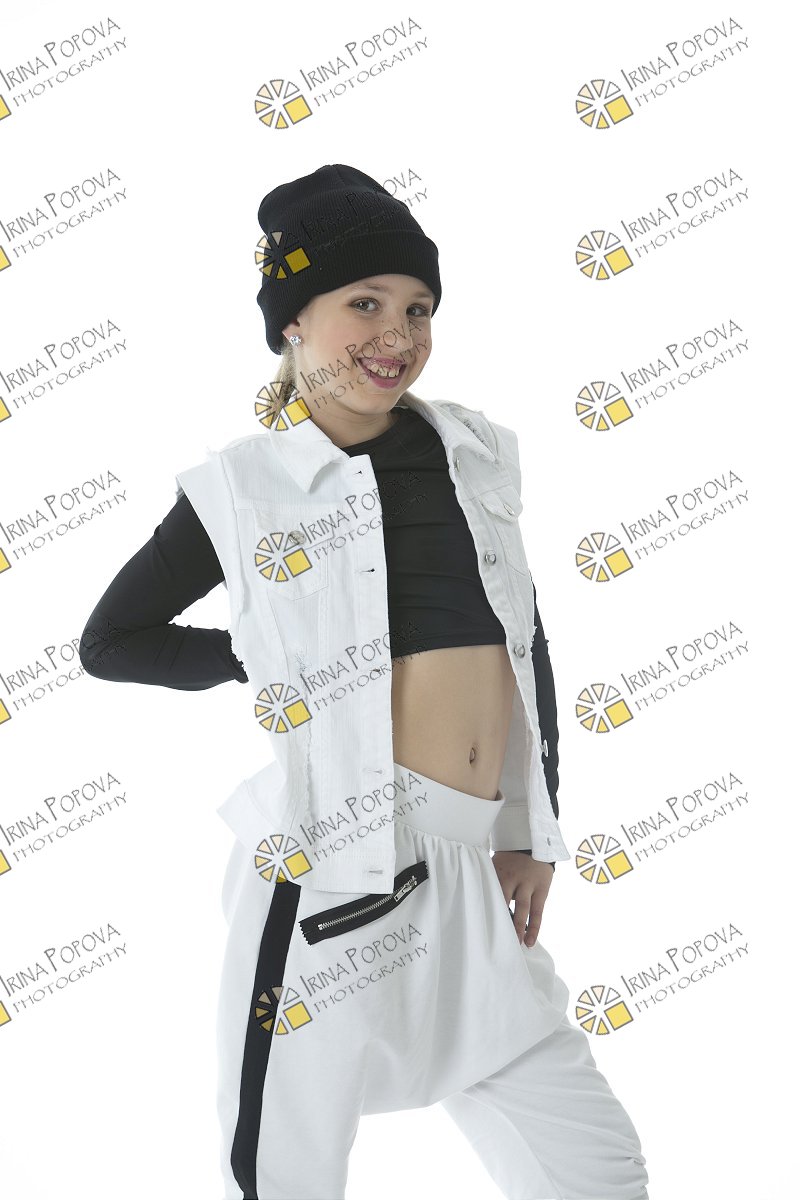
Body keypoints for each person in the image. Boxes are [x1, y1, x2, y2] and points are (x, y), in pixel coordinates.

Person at [79, 164, 649, 1200]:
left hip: (476, 863)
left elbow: (525, 638)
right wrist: (263, 657)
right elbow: (111, 640)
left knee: (596, 1173)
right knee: (289, 1171)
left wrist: (533, 827)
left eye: (418, 308)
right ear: (293, 322)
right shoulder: (244, 487)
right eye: (366, 304)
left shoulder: (471, 452)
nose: (398, 334)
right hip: (335, 869)